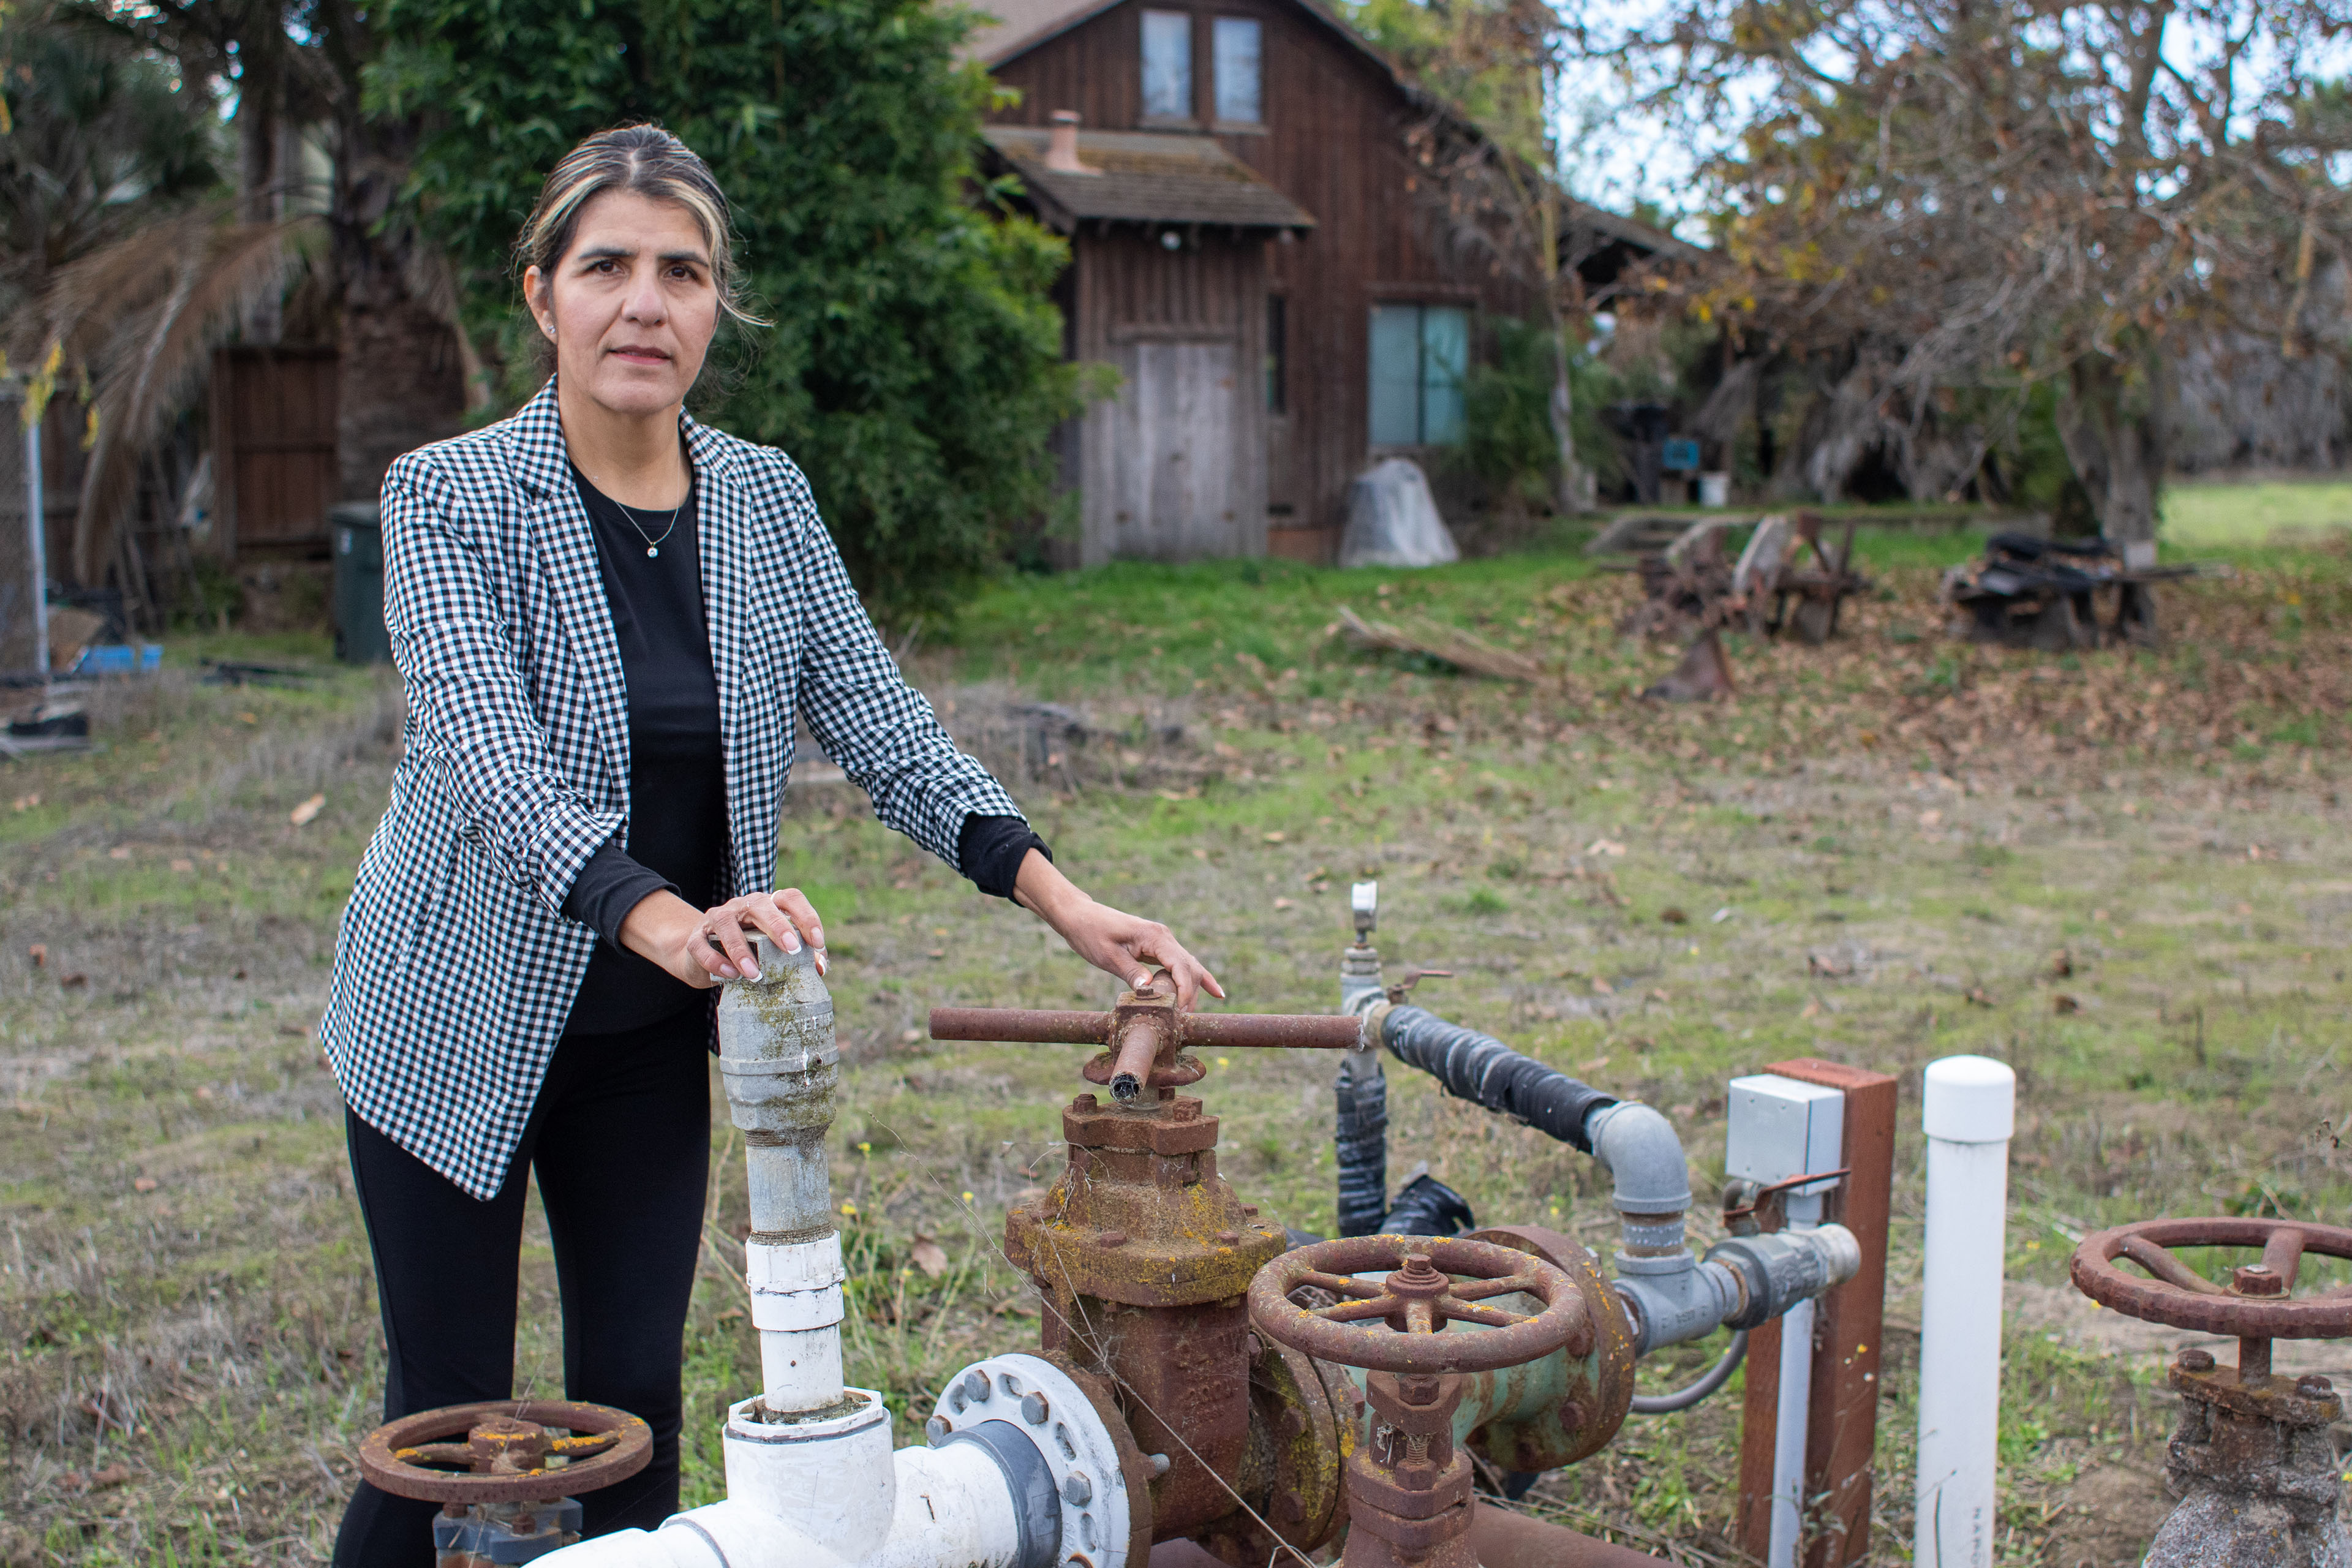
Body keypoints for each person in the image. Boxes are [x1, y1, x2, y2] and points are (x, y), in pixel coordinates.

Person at [318, 123, 1222, 1566]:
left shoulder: (764, 500)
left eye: (683, 271)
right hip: (449, 1019)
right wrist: (660, 910)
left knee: (633, 1413)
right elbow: (488, 752)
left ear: (714, 306)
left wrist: (1065, 899)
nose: (645, 303)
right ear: (542, 294)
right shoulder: (451, 494)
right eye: (606, 265)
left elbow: (884, 722)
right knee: (448, 1421)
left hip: (644, 1042)